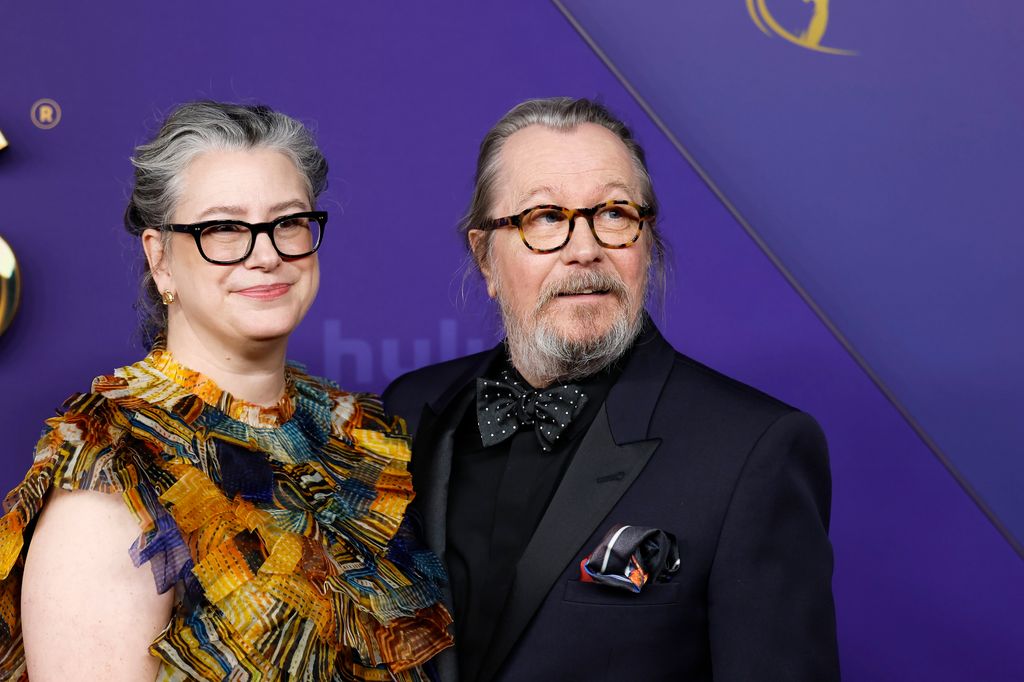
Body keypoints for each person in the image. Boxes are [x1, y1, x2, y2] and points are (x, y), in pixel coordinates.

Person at [383, 97, 840, 681]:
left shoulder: (754, 449)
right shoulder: (406, 412)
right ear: (486, 260)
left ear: (646, 243)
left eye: (615, 214)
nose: (584, 248)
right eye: (544, 217)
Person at [0, 102, 451, 681]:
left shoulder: (350, 431)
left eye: (288, 222)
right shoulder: (114, 472)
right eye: (223, 228)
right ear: (159, 258)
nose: (266, 255)